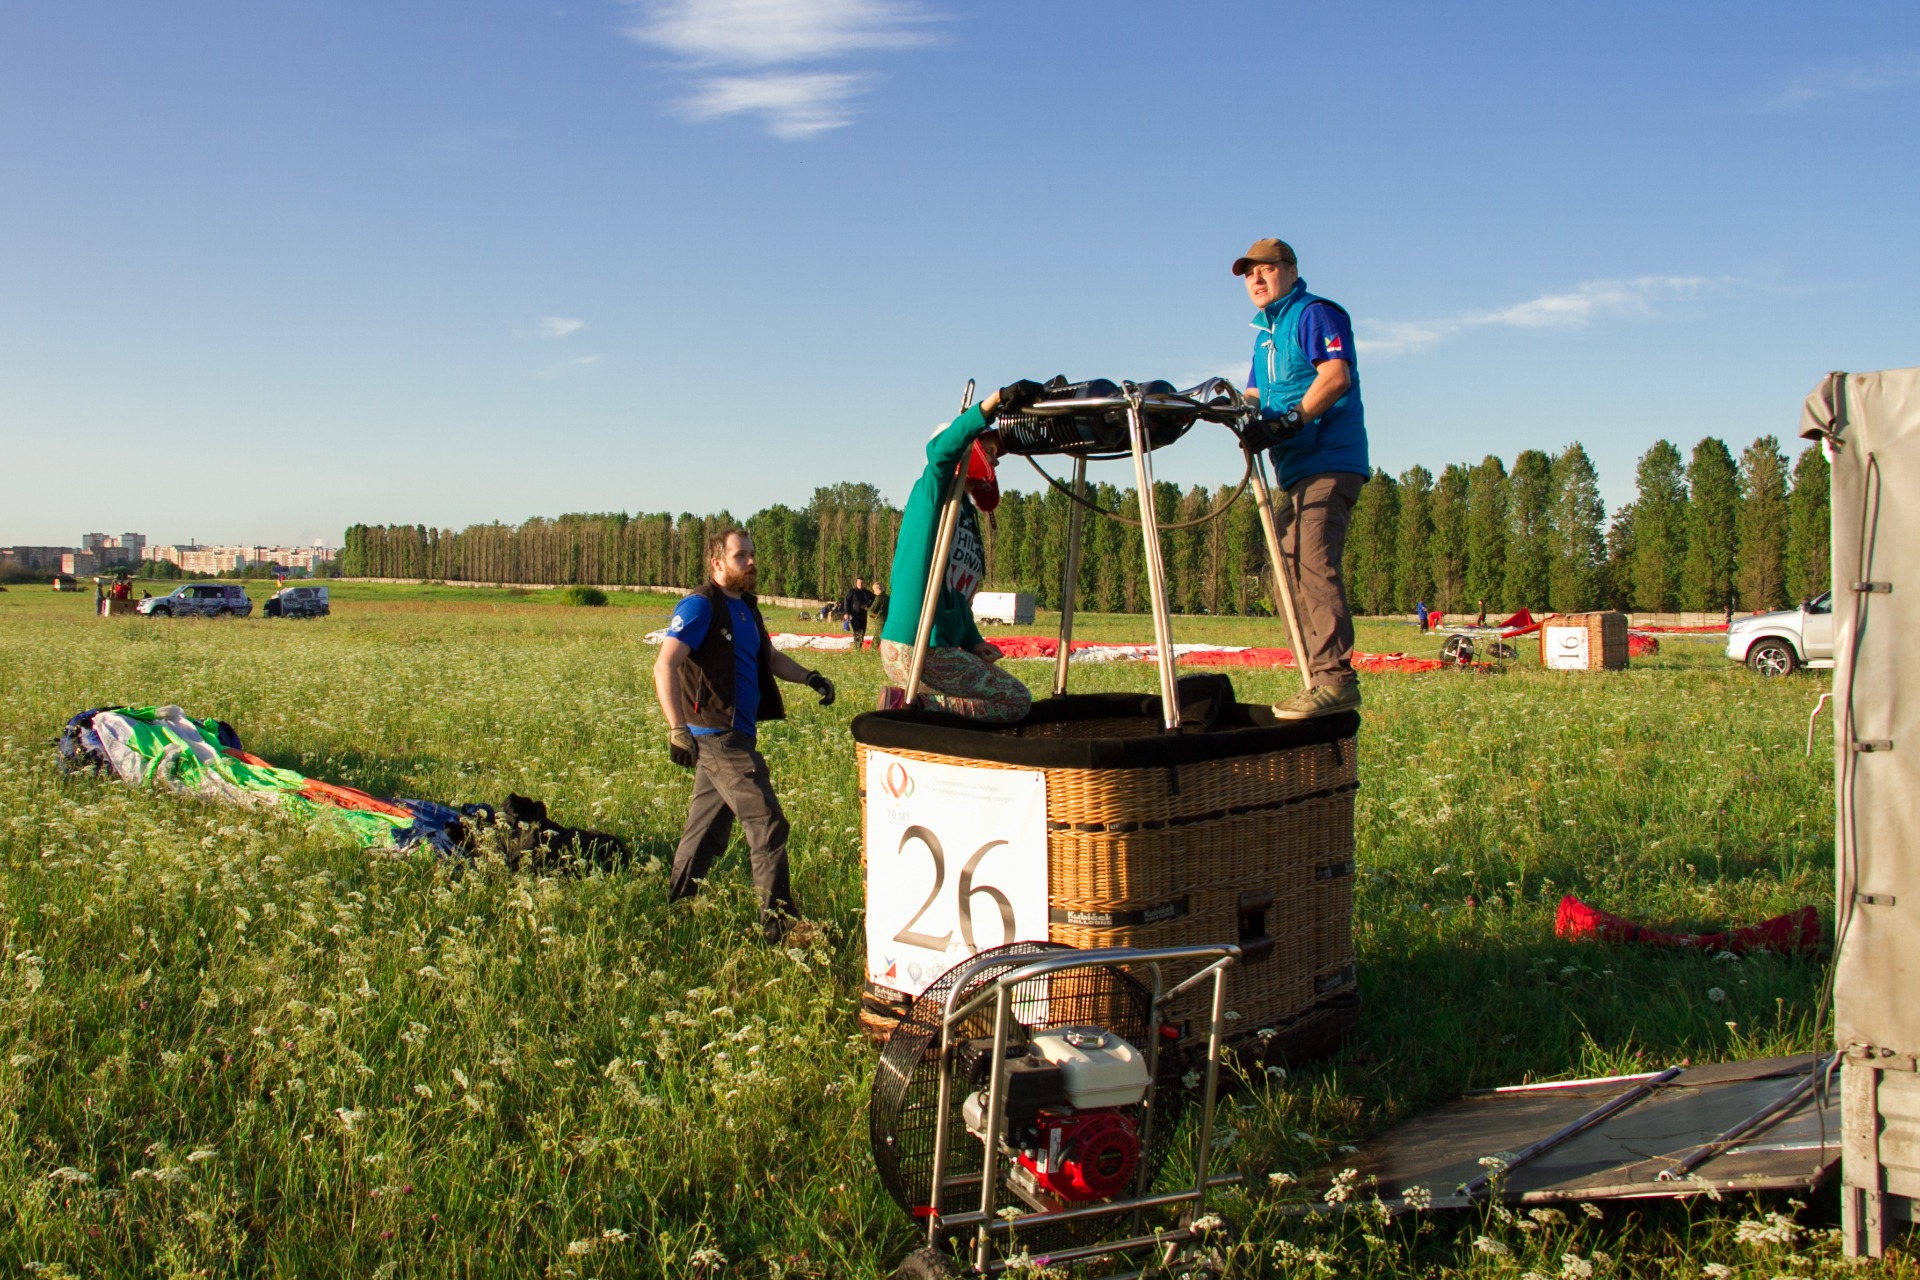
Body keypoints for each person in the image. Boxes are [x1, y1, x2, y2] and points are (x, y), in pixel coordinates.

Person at [653, 527, 836, 943]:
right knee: (767, 822)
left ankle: (674, 910)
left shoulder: (747, 608)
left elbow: (767, 657)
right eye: (741, 556)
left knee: (705, 834)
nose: (751, 562)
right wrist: (677, 729)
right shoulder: (701, 606)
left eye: (752, 554)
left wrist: (809, 677)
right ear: (717, 563)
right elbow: (665, 665)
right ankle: (780, 927)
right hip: (718, 736)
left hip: (736, 735)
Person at [1235, 237, 1369, 720]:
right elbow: (1251, 395)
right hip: (1295, 471)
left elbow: (1335, 377)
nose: (1256, 278)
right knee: (1285, 572)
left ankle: (1335, 679)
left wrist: (1290, 421)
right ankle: (1317, 679)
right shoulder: (1264, 335)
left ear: (1290, 271)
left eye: (1266, 269)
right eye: (1249, 273)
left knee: (1312, 562)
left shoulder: (1315, 314)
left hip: (1329, 459)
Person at [879, 381, 1046, 721]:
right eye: (991, 452)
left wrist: (972, 641)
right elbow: (940, 451)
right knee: (1015, 700)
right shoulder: (933, 491)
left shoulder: (965, 513)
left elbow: (956, 591)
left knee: (1004, 699)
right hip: (917, 642)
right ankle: (919, 706)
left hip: (936, 645)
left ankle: (926, 717)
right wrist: (992, 403)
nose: (996, 464)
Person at [842, 576, 876, 651]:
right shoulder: (852, 591)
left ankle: (859, 647)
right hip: (854, 615)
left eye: (862, 582)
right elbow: (846, 602)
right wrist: (846, 613)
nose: (860, 584)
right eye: (859, 582)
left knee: (862, 631)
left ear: (864, 583)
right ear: (856, 583)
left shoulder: (867, 592)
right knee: (857, 631)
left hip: (863, 615)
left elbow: (876, 599)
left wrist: (870, 606)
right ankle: (857, 648)